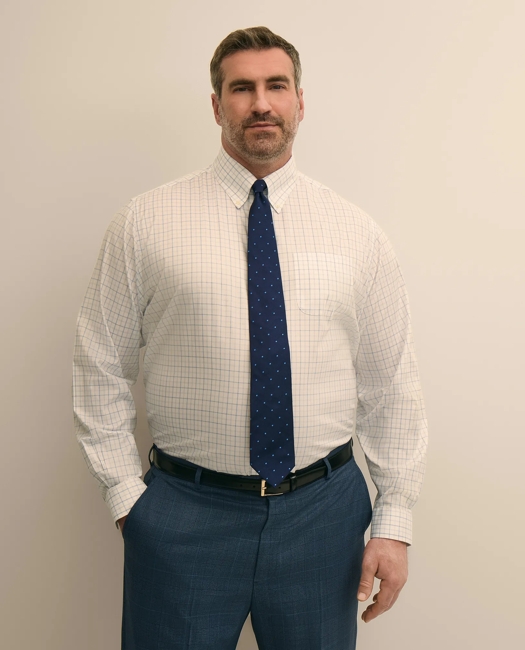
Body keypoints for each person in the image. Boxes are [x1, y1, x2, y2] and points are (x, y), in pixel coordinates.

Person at [73, 25, 427, 650]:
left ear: (299, 101)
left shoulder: (357, 234)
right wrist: (130, 500)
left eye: (276, 86)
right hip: (184, 515)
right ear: (217, 105)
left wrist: (394, 520)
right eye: (241, 89)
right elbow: (99, 362)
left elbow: (391, 383)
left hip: (324, 517)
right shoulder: (145, 223)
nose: (261, 103)